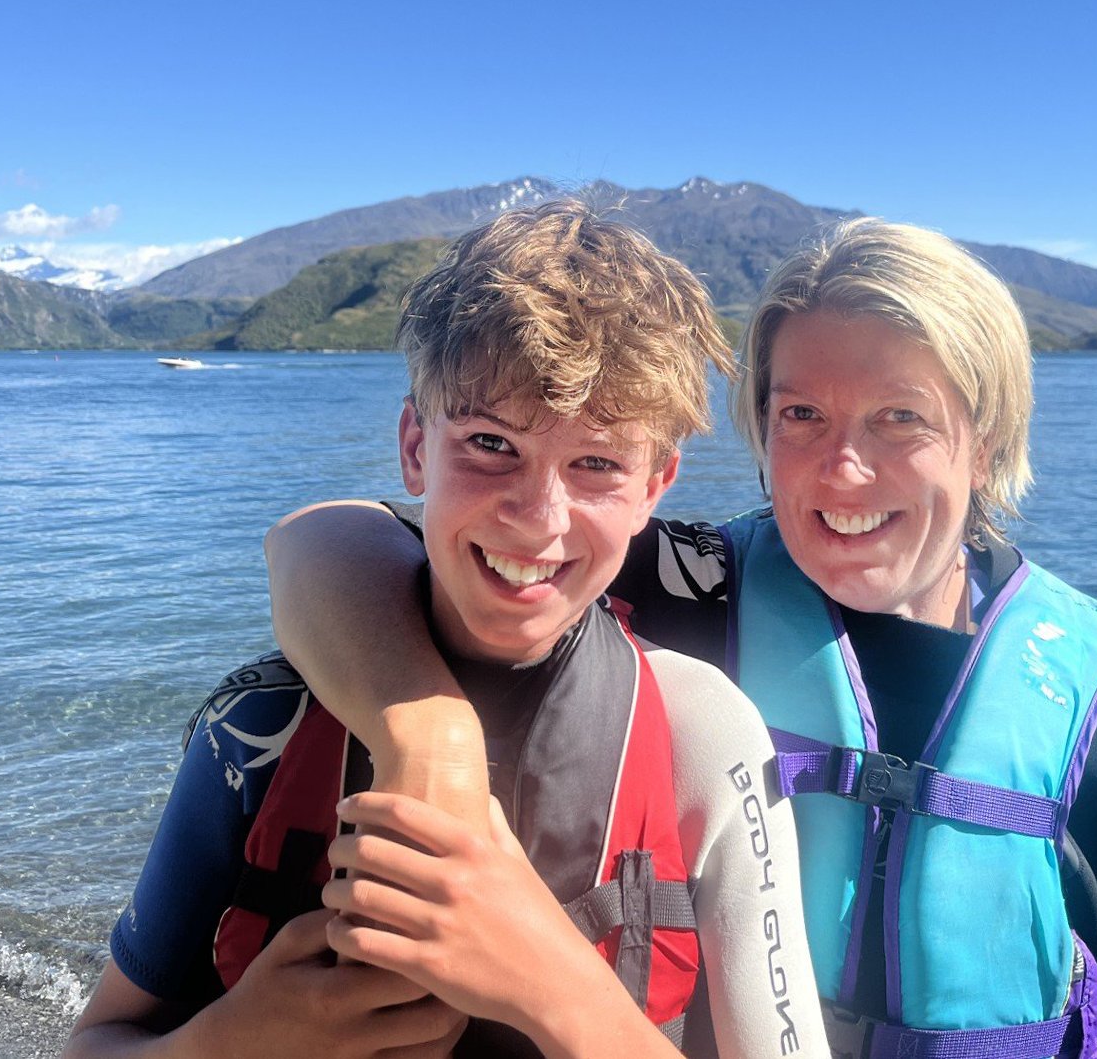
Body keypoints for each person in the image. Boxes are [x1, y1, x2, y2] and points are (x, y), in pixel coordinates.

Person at [267, 217, 1097, 1059]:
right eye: (801, 414)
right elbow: (325, 541)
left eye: (901, 417)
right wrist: (427, 733)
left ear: (983, 441)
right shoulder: (696, 579)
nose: (844, 468)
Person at [66, 201, 828, 1059]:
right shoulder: (264, 721)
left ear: (657, 485)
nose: (538, 520)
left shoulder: (703, 734)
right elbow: (99, 1039)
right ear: (415, 448)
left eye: (597, 464)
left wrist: (561, 992)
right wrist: (235, 1041)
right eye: (490, 443)